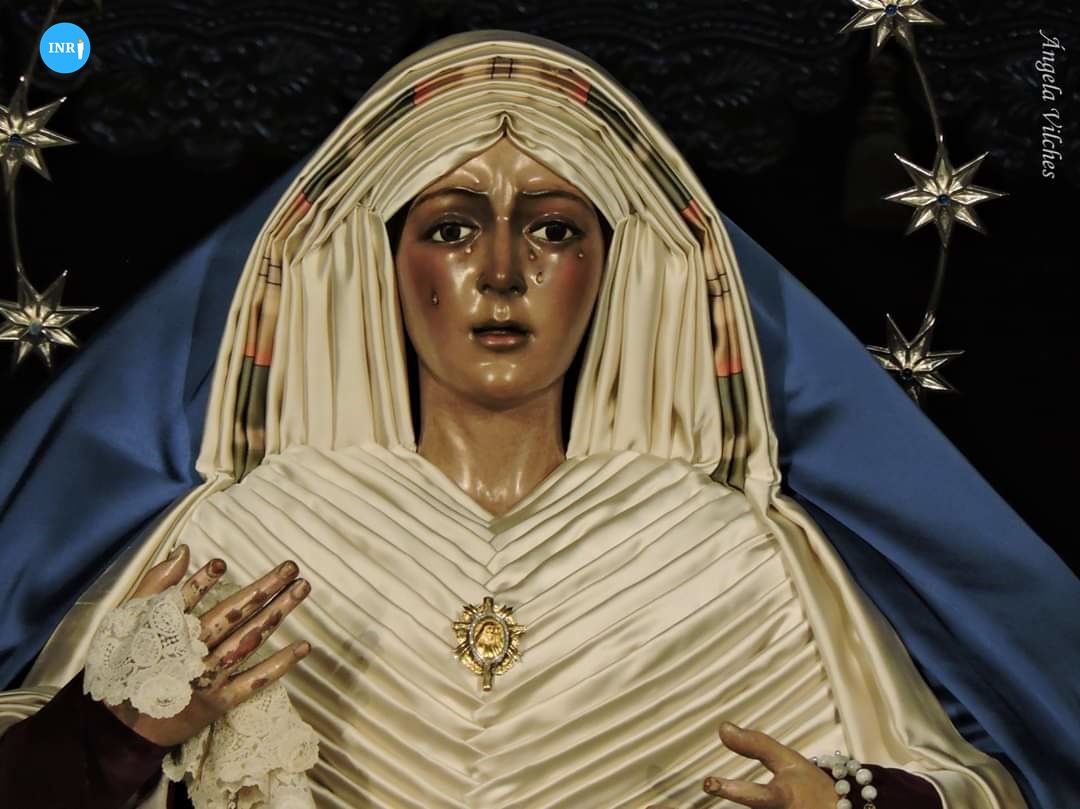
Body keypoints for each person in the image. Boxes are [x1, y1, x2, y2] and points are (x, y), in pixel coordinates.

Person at [0, 30, 1075, 809]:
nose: (504, 270)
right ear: (382, 266)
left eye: (556, 229)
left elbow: (959, 782)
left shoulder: (733, 552)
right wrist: (111, 741)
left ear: (616, 271)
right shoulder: (244, 535)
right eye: (452, 228)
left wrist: (853, 799)